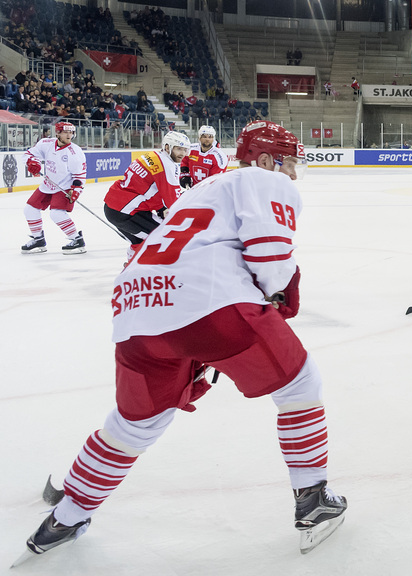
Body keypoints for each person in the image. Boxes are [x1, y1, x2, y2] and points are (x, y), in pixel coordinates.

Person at [19, 120, 346, 559]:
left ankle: (66, 518)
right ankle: (313, 502)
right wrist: (277, 298)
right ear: (267, 159)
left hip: (135, 307)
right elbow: (269, 254)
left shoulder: (198, 189)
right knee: (299, 385)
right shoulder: (263, 178)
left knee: (133, 424)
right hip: (208, 300)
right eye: (288, 163)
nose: (291, 173)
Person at [104, 131, 190, 262]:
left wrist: (161, 208)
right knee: (164, 236)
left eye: (185, 150)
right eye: (179, 149)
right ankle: (148, 269)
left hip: (113, 207)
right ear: (167, 147)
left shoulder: (153, 155)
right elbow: (173, 202)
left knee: (138, 240)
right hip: (126, 212)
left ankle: (132, 268)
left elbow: (148, 188)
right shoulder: (166, 165)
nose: (182, 154)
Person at [20, 121, 87, 255]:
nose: (69, 135)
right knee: (30, 209)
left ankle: (77, 239)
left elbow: (80, 175)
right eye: (66, 132)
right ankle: (38, 239)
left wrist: (76, 190)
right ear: (58, 133)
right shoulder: (46, 143)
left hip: (65, 186)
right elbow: (29, 154)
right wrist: (33, 162)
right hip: (48, 184)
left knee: (56, 213)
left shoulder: (75, 152)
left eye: (71, 132)